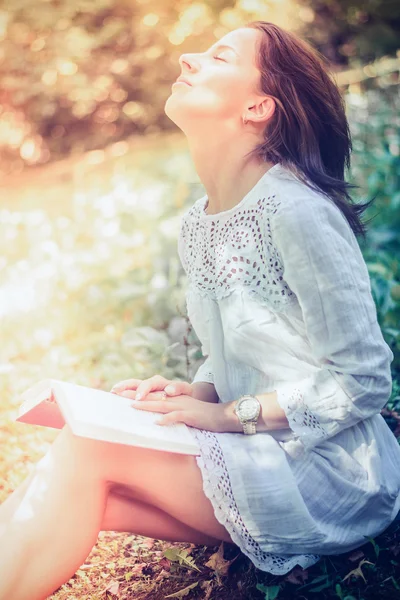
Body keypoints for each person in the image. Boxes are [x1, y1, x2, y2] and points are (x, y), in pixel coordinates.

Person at [1, 20, 400, 600]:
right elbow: (239, 349)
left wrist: (230, 414)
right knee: (87, 480)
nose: (187, 57)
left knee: (88, 450)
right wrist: (197, 393)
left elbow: (363, 381)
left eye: (218, 56)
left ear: (259, 106)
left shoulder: (297, 212)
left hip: (332, 473)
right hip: (260, 449)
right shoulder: (199, 223)